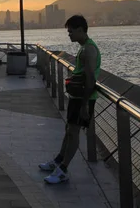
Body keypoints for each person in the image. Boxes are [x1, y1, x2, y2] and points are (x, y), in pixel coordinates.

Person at [40, 15, 101, 184]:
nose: (69, 34)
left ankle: (63, 169)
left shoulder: (89, 50)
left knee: (74, 133)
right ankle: (58, 161)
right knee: (69, 130)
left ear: (81, 29)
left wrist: (84, 106)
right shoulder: (84, 48)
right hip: (77, 96)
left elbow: (90, 79)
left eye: (71, 31)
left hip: (83, 98)